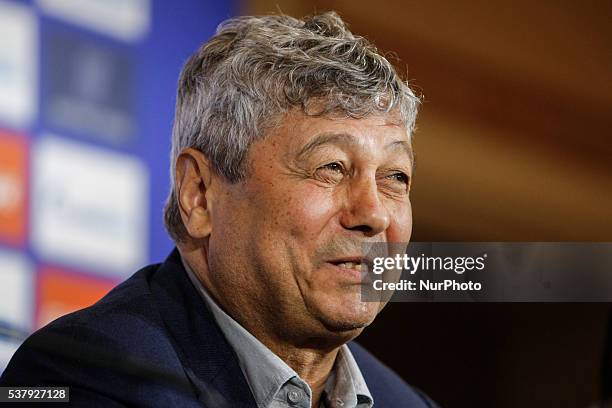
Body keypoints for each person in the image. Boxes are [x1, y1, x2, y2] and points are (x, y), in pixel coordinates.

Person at [1, 11, 438, 408]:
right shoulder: (84, 379)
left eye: (395, 177)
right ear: (199, 194)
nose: (374, 213)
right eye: (331, 168)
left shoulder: (407, 404)